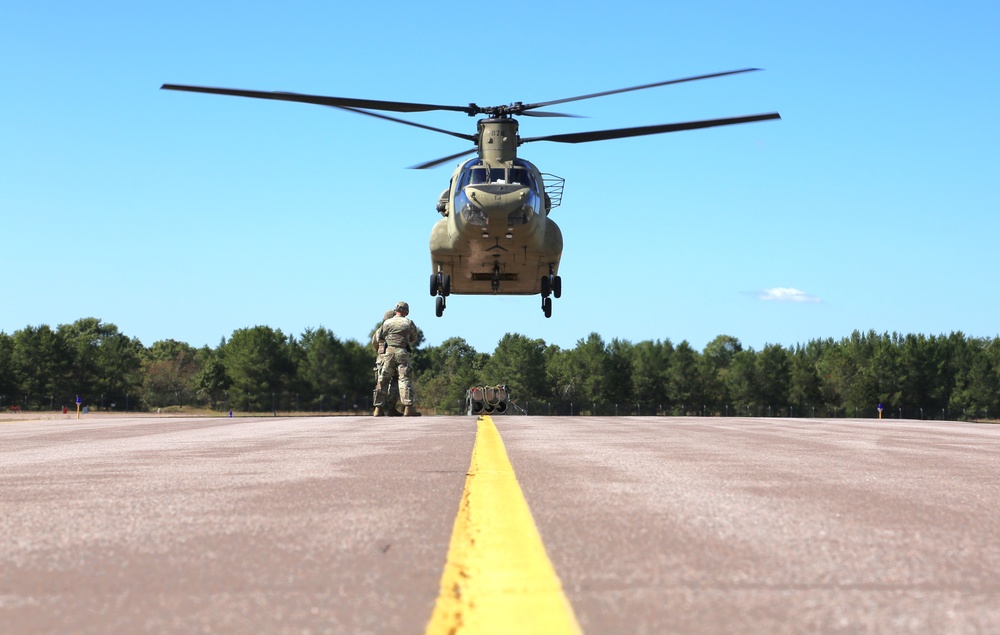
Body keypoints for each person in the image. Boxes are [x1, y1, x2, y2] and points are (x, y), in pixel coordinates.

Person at [373, 301, 419, 416]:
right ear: (406, 312)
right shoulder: (409, 323)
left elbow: (379, 337)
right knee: (404, 379)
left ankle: (378, 409)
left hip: (388, 354)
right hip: (402, 353)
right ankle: (408, 408)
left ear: (396, 310)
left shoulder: (387, 323)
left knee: (383, 380)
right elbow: (413, 338)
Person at [372, 309, 401, 416]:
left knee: (381, 383)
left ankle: (378, 408)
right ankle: (391, 408)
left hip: (381, 360)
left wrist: (380, 354)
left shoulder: (380, 330)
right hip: (394, 358)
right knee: (395, 383)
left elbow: (374, 342)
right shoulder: (396, 329)